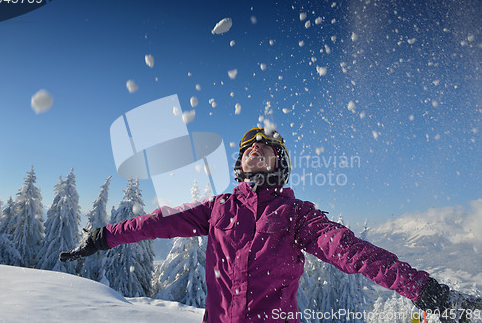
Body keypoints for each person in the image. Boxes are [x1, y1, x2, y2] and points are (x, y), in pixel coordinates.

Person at [60, 127, 481, 323]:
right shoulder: (218, 208)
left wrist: (425, 289)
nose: (256, 151)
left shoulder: (298, 216)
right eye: (248, 149)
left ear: (280, 164)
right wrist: (101, 237)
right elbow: (157, 222)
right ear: (240, 164)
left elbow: (353, 252)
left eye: (266, 148)